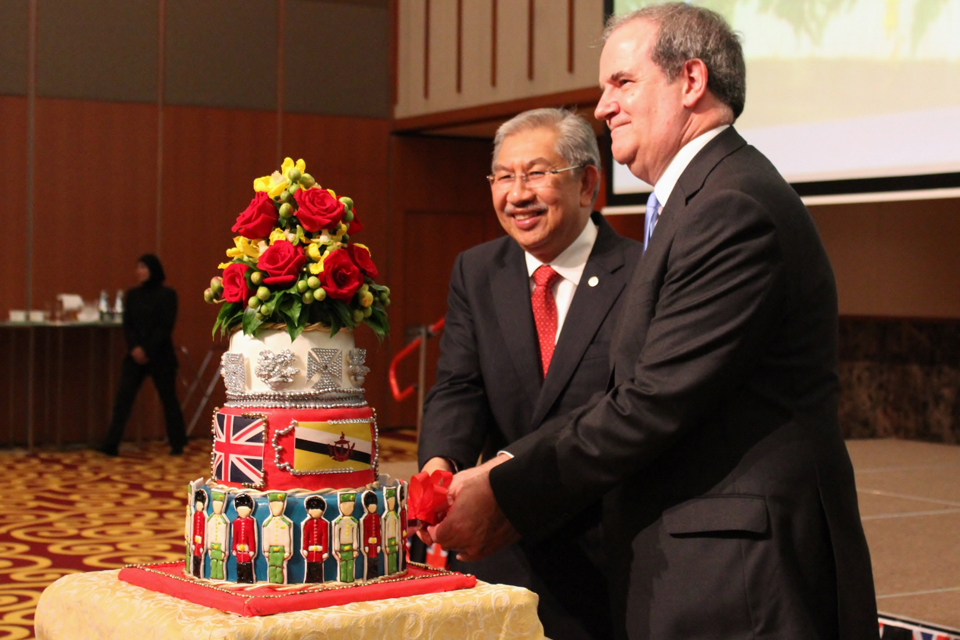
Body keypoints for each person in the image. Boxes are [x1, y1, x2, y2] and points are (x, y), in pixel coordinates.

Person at [429, 5, 879, 639]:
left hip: (740, 576)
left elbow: (649, 401)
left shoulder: (731, 207)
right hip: (697, 564)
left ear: (691, 81)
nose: (603, 106)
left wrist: (505, 488)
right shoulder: (698, 199)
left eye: (622, 83)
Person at [417, 108, 642, 640]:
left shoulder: (642, 273)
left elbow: (625, 407)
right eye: (504, 177)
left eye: (537, 173)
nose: (517, 194)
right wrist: (438, 468)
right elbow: (459, 387)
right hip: (501, 549)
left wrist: (504, 477)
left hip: (605, 551)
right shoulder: (477, 270)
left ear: (588, 183)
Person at [98, 254, 187, 456]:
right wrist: (134, 348)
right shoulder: (132, 295)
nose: (138, 271)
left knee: (168, 399)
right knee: (123, 398)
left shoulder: (168, 295)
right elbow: (127, 325)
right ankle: (111, 443)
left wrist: (146, 349)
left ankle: (178, 442)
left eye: (143, 267)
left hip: (160, 355)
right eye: (137, 267)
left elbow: (166, 326)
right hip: (135, 354)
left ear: (153, 270)